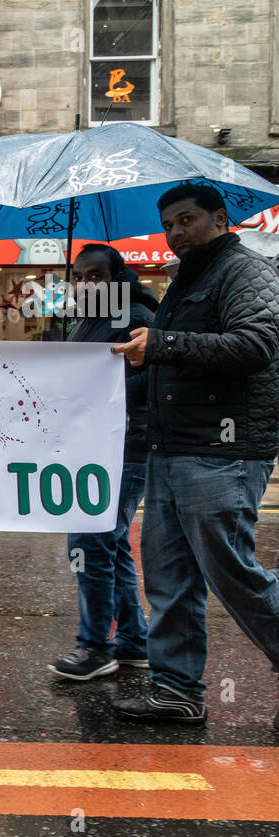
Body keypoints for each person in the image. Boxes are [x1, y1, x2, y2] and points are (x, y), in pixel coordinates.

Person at [112, 183, 279, 727]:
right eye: (169, 224)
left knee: (232, 572)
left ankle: (177, 687)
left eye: (187, 220)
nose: (176, 232)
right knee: (169, 578)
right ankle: (176, 691)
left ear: (220, 218)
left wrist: (159, 345)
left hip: (223, 450)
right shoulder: (189, 276)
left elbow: (255, 346)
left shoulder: (245, 271)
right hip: (174, 446)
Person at [48, 245, 155, 679]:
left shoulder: (136, 318)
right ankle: (133, 641)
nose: (86, 283)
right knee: (110, 544)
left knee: (90, 541)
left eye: (95, 275)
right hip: (95, 447)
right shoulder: (91, 319)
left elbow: (149, 381)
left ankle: (94, 646)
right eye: (79, 275)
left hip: (125, 447)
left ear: (117, 275)